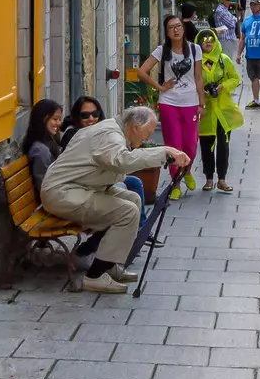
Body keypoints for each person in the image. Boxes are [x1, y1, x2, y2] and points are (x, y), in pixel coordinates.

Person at [41, 103, 189, 294]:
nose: (149, 138)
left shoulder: (113, 129)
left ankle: (109, 264)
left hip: (79, 187)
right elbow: (122, 161)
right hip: (63, 193)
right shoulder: (110, 136)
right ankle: (94, 276)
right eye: (148, 132)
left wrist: (164, 152)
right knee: (126, 212)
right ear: (135, 127)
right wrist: (164, 152)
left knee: (133, 200)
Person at [141, 15, 202, 191]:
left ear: (183, 28)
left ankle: (187, 170)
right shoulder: (162, 51)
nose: (176, 30)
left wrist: (201, 104)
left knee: (190, 144)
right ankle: (175, 183)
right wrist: (160, 87)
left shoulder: (195, 49)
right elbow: (142, 71)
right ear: (167, 32)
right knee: (173, 143)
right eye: (171, 28)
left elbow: (199, 78)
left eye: (178, 26)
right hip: (169, 103)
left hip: (190, 102)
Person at [196, 29, 245, 194]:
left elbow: (235, 78)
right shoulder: (195, 62)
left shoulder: (224, 60)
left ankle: (222, 179)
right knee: (206, 145)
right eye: (204, 40)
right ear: (199, 43)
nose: (208, 42)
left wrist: (222, 87)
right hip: (206, 110)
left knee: (223, 144)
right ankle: (209, 178)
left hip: (223, 109)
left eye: (211, 39)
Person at [22, 98, 66, 188]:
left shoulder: (49, 142)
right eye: (55, 119)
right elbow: (44, 186)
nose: (58, 123)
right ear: (43, 119)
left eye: (59, 119)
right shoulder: (40, 150)